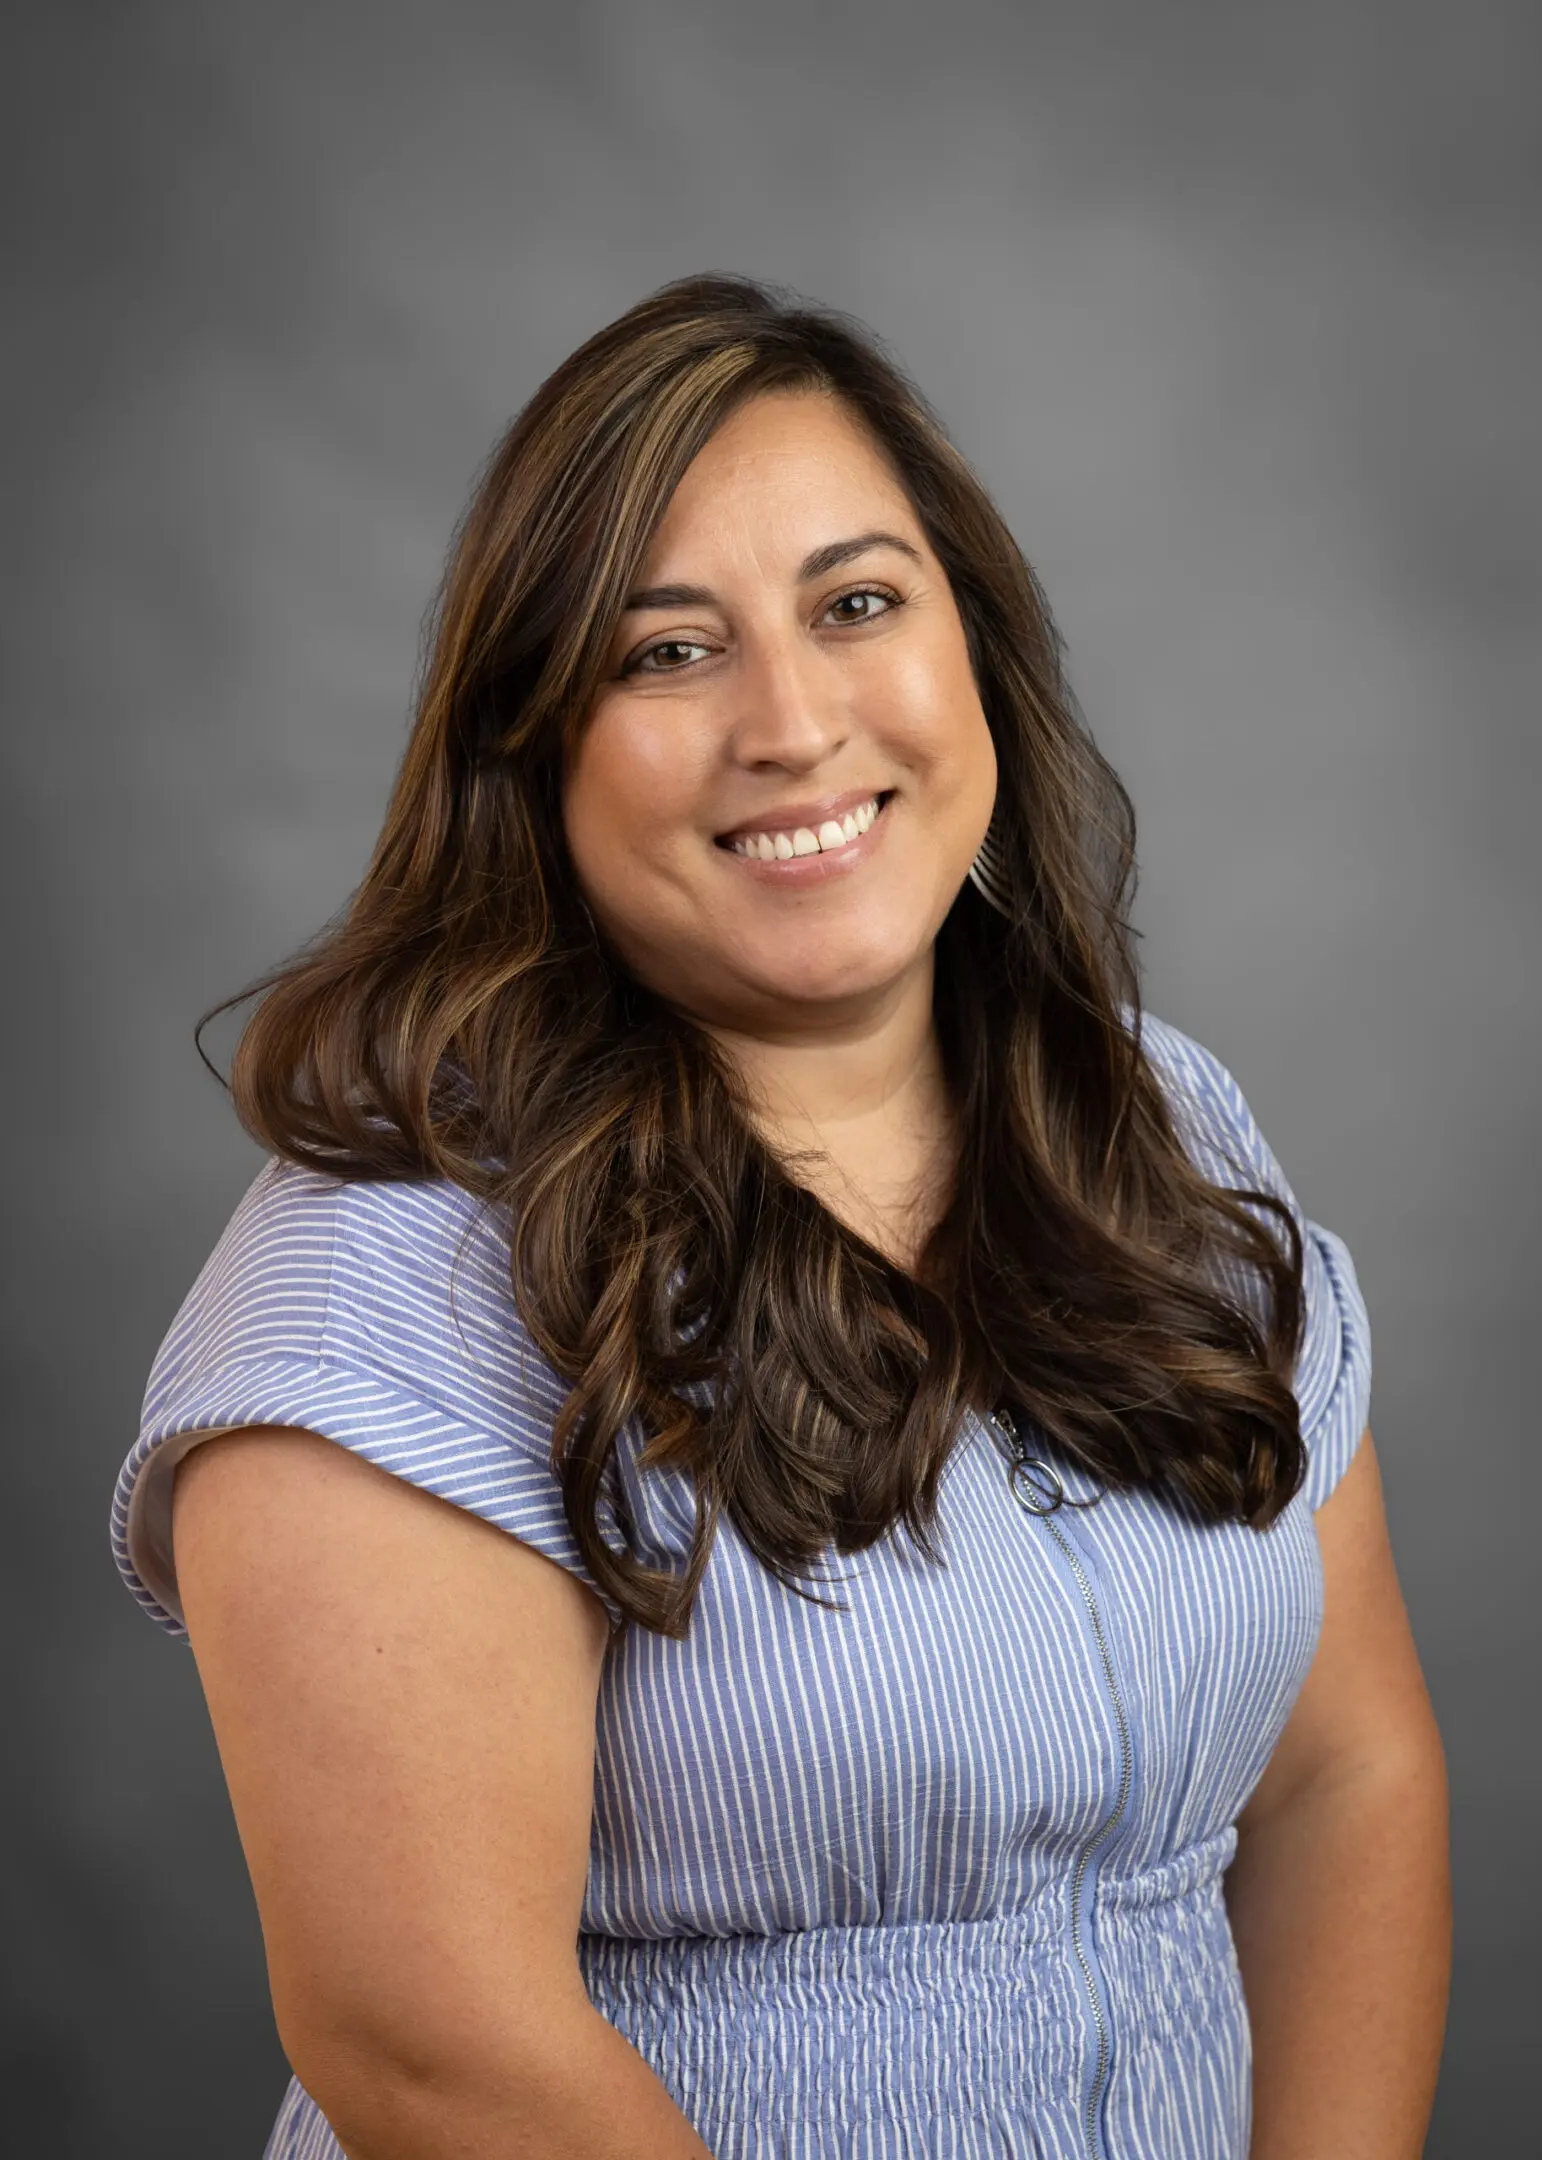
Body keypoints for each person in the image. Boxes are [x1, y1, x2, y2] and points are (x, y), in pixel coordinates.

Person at [109, 272, 1450, 2160]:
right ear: (532, 754)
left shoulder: (1153, 1117)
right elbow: (429, 2046)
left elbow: (1344, 1778)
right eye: (666, 654)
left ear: (968, 644)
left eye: (856, 605)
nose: (794, 722)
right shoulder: (393, 1269)